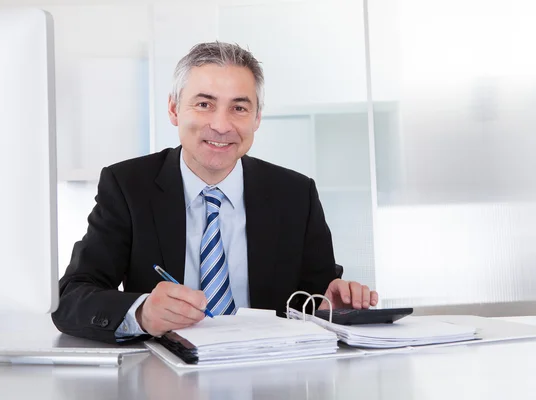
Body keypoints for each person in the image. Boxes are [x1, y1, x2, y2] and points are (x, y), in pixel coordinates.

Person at [52, 41, 378, 343]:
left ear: (257, 118)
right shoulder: (127, 186)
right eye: (205, 104)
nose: (221, 126)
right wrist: (141, 312)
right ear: (174, 109)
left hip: (270, 375)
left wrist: (330, 308)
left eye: (239, 108)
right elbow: (71, 297)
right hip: (167, 379)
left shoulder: (296, 194)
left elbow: (313, 299)